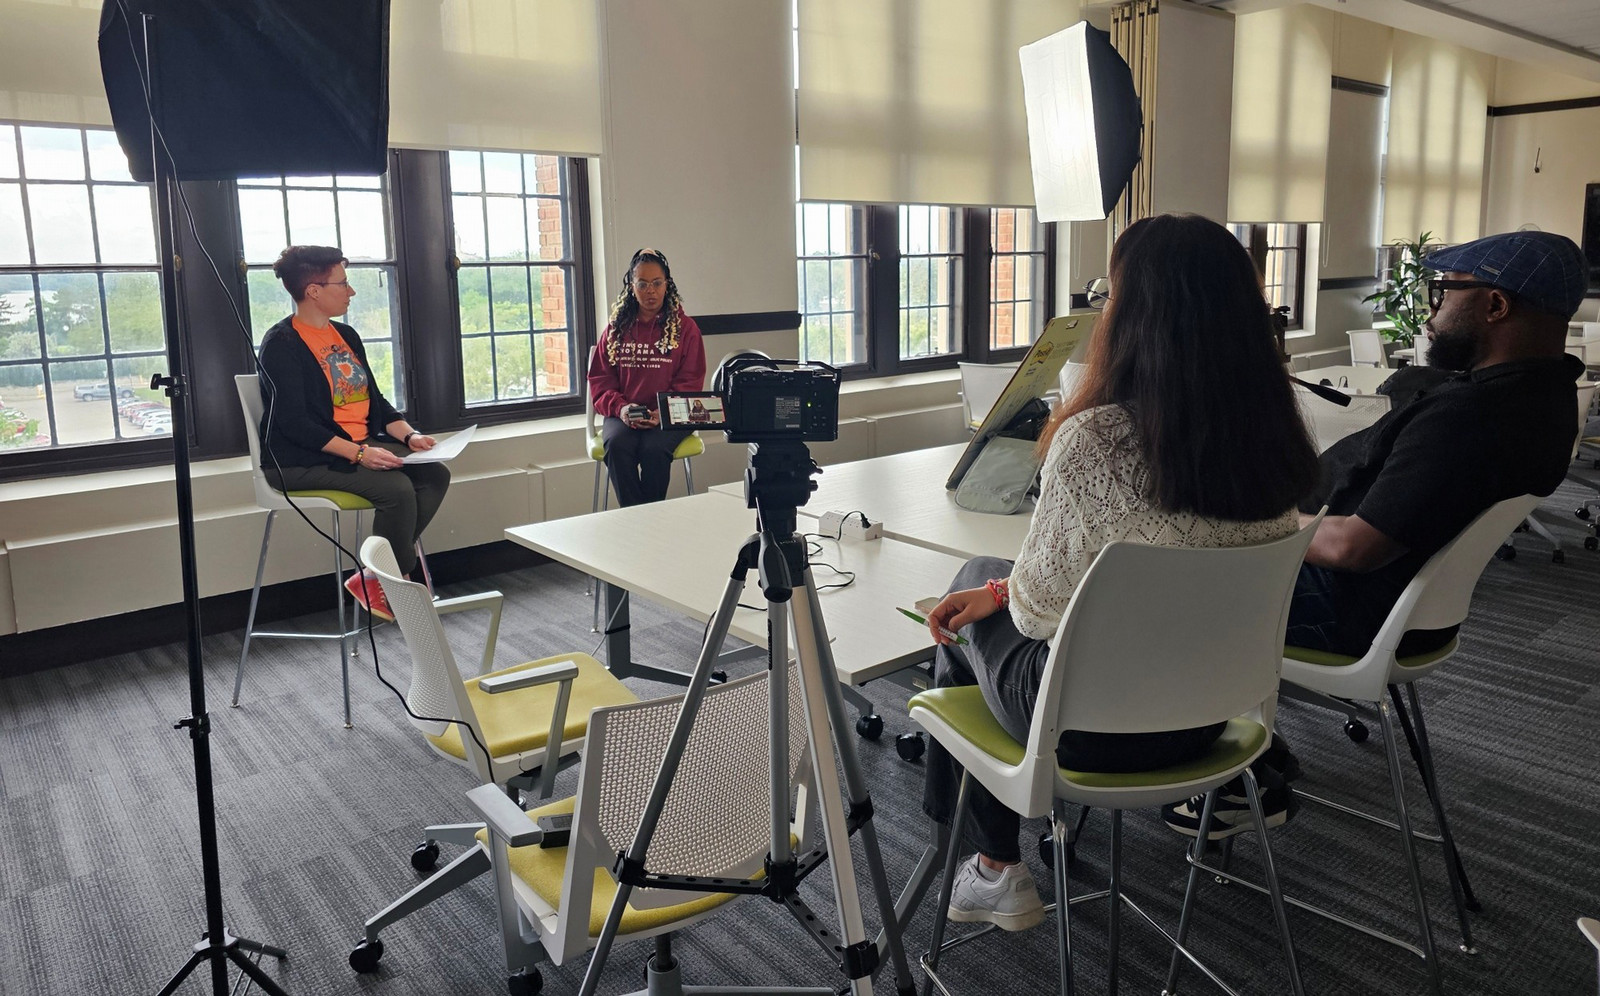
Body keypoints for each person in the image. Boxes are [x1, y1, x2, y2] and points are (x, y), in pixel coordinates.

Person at [921, 214, 1322, 931]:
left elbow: (1038, 615)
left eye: (1109, 296)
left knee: (975, 582)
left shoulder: (1094, 440)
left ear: (1134, 315)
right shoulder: (1277, 431)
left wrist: (991, 591)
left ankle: (992, 864)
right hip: (1212, 722)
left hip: (1090, 730)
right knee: (988, 586)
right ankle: (986, 859)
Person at [1162, 230, 1590, 843]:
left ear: (1496, 306)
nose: (1435, 311)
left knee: (1162, 587)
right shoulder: (1546, 398)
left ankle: (1230, 771)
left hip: (1349, 607)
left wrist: (1239, 519)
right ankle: (1248, 745)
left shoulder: (1469, 421)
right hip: (1409, 613)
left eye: (1445, 293)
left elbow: (1352, 547)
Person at [256, 245, 450, 621]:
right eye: (343, 283)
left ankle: (378, 575)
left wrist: (409, 436)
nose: (351, 291)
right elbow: (294, 424)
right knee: (396, 490)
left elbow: (374, 401)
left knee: (434, 474)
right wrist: (360, 454)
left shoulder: (345, 334)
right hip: (302, 458)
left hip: (359, 447)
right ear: (313, 290)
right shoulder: (281, 344)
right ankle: (396, 579)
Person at [587, 247, 707, 506]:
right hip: (625, 413)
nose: (650, 291)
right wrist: (621, 409)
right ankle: (635, 520)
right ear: (632, 286)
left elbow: (690, 382)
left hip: (671, 414)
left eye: (656, 283)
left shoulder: (686, 330)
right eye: (642, 284)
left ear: (667, 285)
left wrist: (662, 413)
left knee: (653, 450)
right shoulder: (616, 329)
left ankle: (646, 521)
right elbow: (600, 382)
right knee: (617, 445)